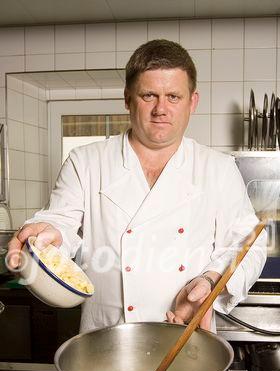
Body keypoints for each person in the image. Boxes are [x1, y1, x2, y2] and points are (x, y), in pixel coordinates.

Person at [7, 39, 266, 334]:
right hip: (106, 340)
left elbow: (250, 244)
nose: (161, 109)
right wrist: (47, 233)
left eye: (173, 97)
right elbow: (60, 223)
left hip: (184, 339)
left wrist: (210, 280)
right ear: (128, 99)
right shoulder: (86, 161)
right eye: (149, 95)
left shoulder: (218, 168)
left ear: (192, 102)